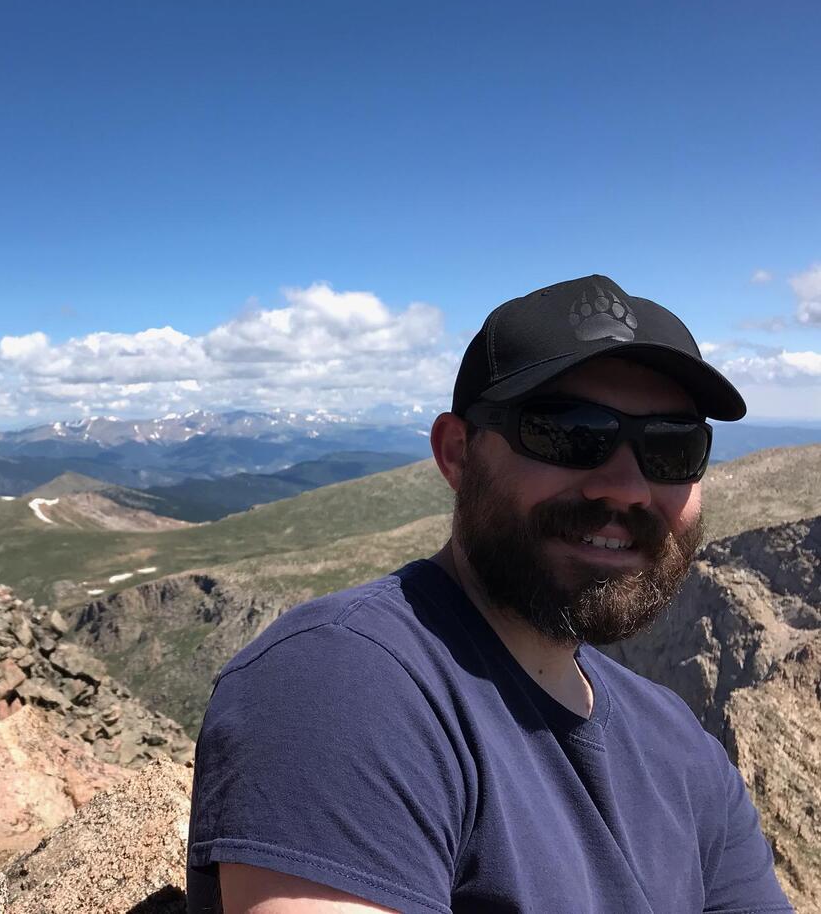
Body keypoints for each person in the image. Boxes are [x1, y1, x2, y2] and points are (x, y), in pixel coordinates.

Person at [185, 274, 794, 914]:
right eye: (568, 433)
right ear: (457, 454)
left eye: (673, 446)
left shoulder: (685, 751)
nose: (626, 488)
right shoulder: (340, 684)